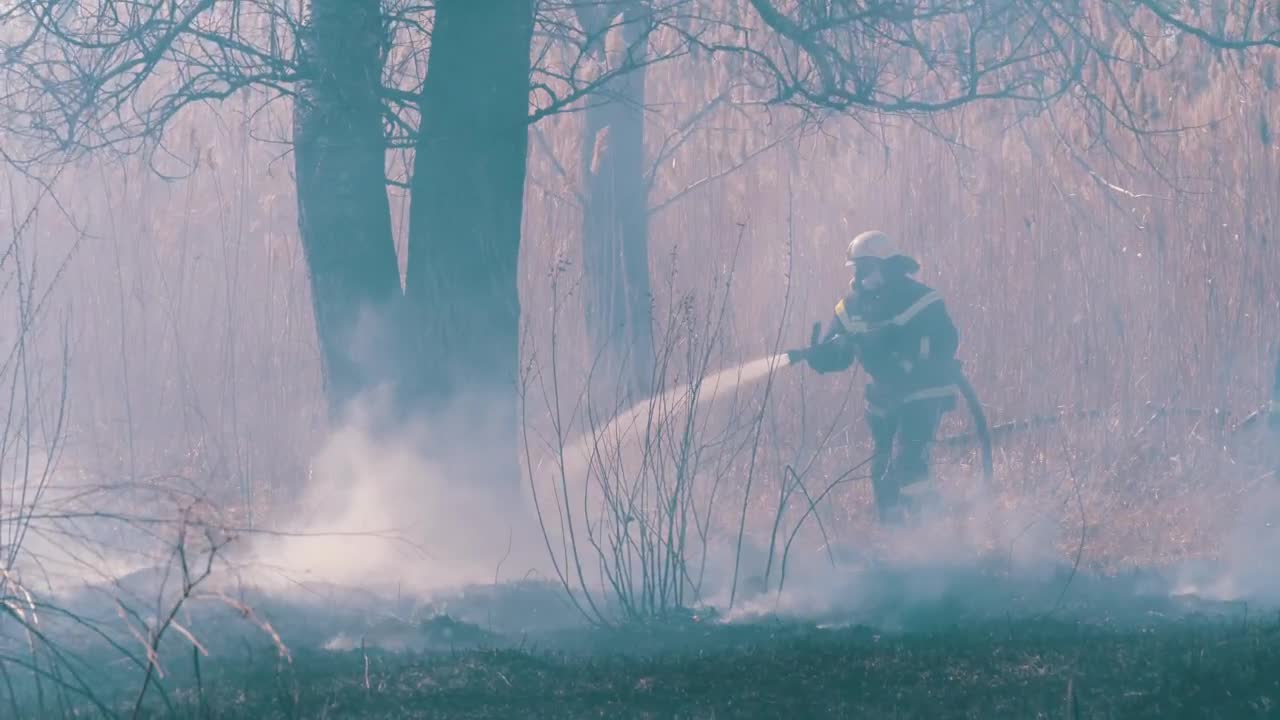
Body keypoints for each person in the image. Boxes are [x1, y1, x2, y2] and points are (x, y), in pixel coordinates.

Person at [804, 230, 962, 523]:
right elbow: (840, 353)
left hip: (922, 392)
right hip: (883, 398)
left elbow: (948, 341)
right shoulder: (851, 306)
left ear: (889, 266)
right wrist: (821, 356)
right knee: (881, 468)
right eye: (858, 269)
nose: (862, 276)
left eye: (868, 268)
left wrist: (908, 354)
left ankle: (932, 533)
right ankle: (896, 539)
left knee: (909, 463)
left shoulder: (921, 300)